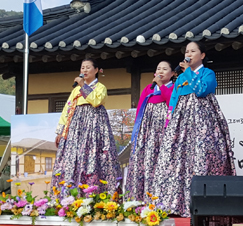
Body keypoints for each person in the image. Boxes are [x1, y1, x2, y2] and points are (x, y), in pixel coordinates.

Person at [155, 41, 234, 216]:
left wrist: (188, 72)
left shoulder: (208, 73)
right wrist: (169, 122)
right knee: (177, 160)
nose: (188, 54)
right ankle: (175, 204)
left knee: (202, 157)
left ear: (202, 55)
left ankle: (204, 204)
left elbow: (201, 90)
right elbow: (174, 99)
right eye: (186, 51)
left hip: (203, 123)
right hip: (181, 124)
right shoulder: (182, 77)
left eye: (193, 51)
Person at [52, 59, 123, 192]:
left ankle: (95, 189)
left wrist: (83, 85)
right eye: (82, 68)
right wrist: (61, 131)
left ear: (96, 70)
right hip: (76, 126)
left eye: (87, 67)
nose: (84, 70)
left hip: (94, 125)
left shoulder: (100, 87)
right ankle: (72, 189)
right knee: (74, 155)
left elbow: (96, 101)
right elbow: (67, 109)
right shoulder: (75, 90)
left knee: (93, 154)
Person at [122, 61, 176, 202]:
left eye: (165, 69)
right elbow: (140, 108)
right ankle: (141, 196)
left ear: (173, 73)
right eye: (158, 68)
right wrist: (137, 129)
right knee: (145, 159)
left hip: (163, 130)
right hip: (147, 130)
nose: (161, 71)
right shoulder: (148, 88)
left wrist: (161, 85)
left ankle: (162, 197)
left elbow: (171, 101)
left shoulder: (173, 88)